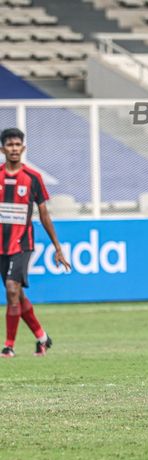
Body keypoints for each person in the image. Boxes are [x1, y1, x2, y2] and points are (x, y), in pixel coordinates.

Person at [0, 127, 71, 358]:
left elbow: (44, 215)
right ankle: (42, 338)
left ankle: (8, 346)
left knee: (11, 289)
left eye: (17, 145)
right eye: (9, 145)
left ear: (23, 148)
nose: (13, 148)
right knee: (17, 295)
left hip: (22, 243)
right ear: (2, 149)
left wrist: (57, 247)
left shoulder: (33, 178)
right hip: (2, 245)